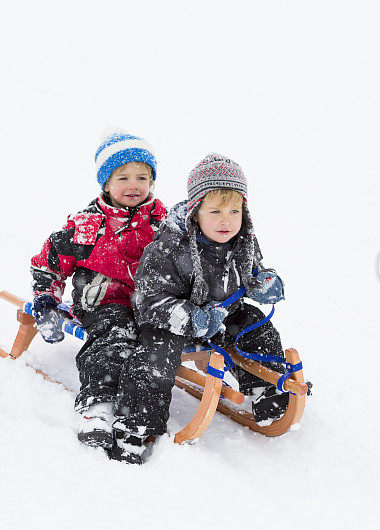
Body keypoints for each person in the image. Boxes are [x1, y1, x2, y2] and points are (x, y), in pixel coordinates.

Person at [112, 153, 289, 464]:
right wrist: (189, 317)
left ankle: (267, 391)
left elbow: (255, 272)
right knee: (153, 359)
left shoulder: (244, 240)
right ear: (195, 212)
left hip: (222, 315)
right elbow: (148, 299)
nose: (226, 220)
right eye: (216, 211)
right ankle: (137, 423)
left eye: (234, 211)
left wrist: (264, 283)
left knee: (256, 326)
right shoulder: (169, 246)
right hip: (171, 322)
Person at [29, 131, 167, 451]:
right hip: (103, 300)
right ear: (106, 183)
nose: (134, 184)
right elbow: (49, 263)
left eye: (142, 177)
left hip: (151, 303)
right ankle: (97, 404)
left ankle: (141, 405)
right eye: (123, 177)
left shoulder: (165, 223)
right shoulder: (87, 226)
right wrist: (47, 300)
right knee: (116, 329)